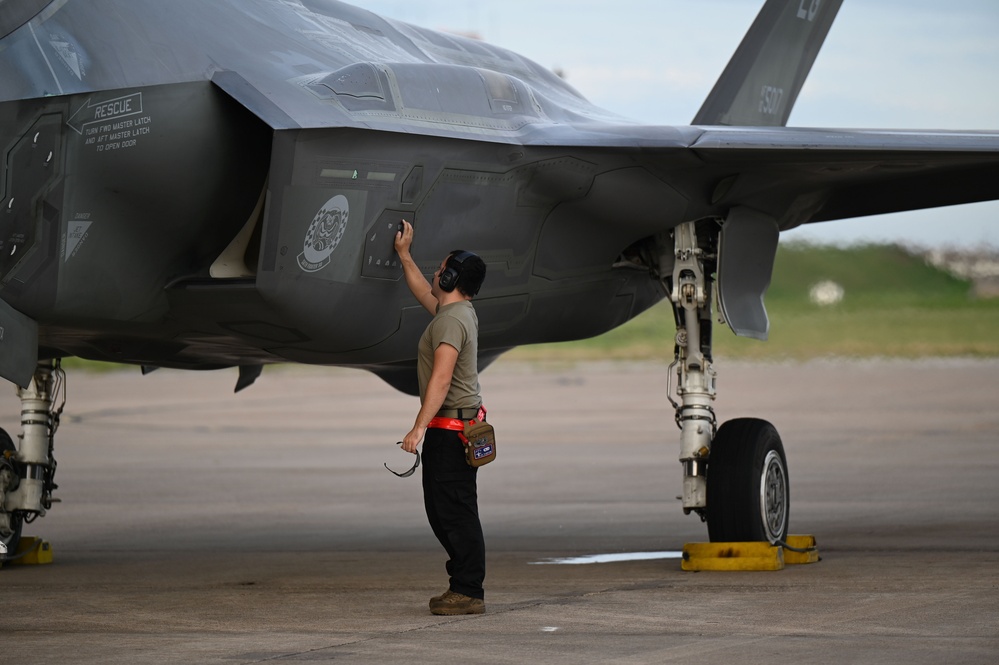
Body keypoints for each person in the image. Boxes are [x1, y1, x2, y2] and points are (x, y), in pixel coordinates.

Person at [394, 219, 488, 616]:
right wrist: (404, 255)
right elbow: (423, 291)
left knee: (454, 512)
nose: (434, 273)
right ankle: (463, 585)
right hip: (458, 429)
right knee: (445, 510)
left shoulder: (451, 320)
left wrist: (418, 426)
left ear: (449, 277)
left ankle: (467, 591)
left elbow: (442, 376)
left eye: (440, 269)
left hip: (450, 431)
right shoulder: (458, 312)